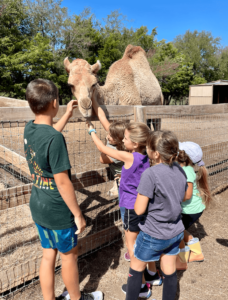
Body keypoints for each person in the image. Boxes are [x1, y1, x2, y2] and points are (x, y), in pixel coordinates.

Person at [24, 79, 103, 300]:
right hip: (57, 210)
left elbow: (48, 137)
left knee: (48, 254)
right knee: (69, 257)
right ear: (54, 102)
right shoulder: (54, 139)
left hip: (39, 205)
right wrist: (78, 214)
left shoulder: (30, 128)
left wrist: (66, 115)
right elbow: (63, 182)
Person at [87, 120, 161, 298]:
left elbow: (104, 150)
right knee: (143, 241)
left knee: (132, 246)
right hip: (142, 205)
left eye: (126, 138)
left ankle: (141, 286)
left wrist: (92, 132)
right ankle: (153, 275)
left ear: (135, 143)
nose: (123, 141)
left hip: (129, 206)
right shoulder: (145, 157)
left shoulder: (130, 156)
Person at [123, 130, 188, 300]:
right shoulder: (180, 170)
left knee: (136, 267)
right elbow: (181, 196)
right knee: (169, 270)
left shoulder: (150, 174)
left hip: (153, 233)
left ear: (156, 154)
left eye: (148, 148)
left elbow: (138, 210)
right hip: (175, 231)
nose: (146, 150)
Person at [176, 141, 213, 270]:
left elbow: (187, 195)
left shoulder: (186, 172)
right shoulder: (184, 169)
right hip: (190, 209)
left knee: (177, 233)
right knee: (179, 229)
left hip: (190, 210)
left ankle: (181, 260)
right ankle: (196, 252)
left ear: (181, 155)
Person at [91, 97, 126, 221]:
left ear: (117, 139)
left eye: (110, 136)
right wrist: (92, 98)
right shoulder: (122, 140)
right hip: (128, 180)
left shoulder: (118, 153)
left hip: (124, 185)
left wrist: (92, 131)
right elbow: (102, 117)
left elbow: (102, 158)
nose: (107, 135)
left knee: (125, 210)